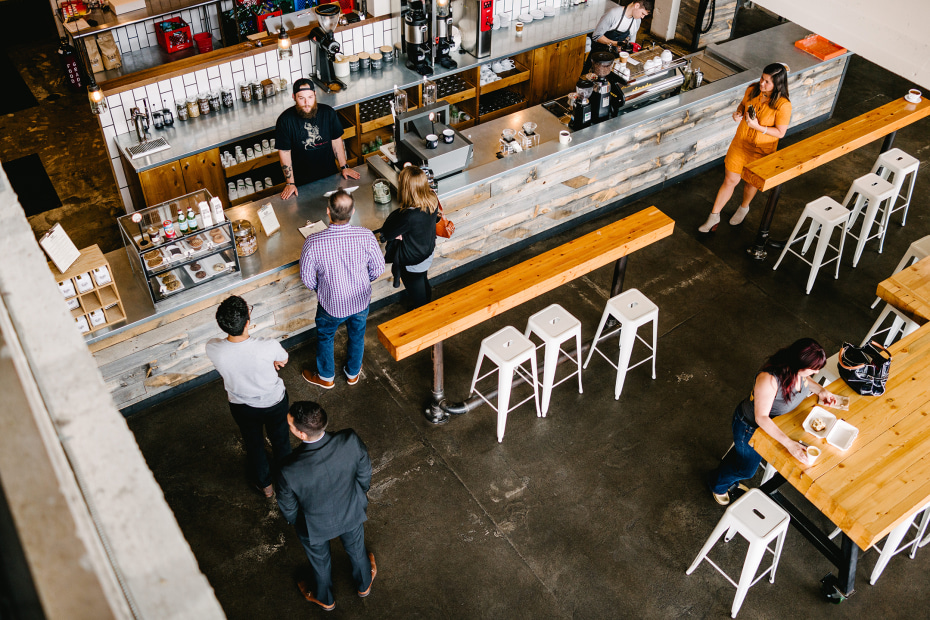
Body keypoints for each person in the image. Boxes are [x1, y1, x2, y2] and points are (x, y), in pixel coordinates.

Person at [708, 338, 839, 506]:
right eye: (811, 370)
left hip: (773, 425)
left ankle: (726, 472)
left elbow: (804, 380)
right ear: (797, 364)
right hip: (750, 427)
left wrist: (821, 390)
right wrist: (789, 444)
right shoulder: (768, 379)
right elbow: (761, 417)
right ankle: (718, 485)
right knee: (746, 470)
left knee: (741, 458)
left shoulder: (796, 372)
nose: (813, 374)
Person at [277, 401, 376, 611]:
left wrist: (300, 523)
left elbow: (288, 506)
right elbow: (365, 471)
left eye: (290, 426)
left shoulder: (288, 469)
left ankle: (326, 599)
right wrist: (358, 494)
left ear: (302, 435)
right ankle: (364, 585)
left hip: (313, 525)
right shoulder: (349, 439)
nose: (289, 429)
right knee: (357, 550)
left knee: (320, 563)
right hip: (351, 510)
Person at [205, 295, 291, 498]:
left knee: (254, 445)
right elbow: (284, 360)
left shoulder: (213, 348)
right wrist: (273, 362)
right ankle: (288, 484)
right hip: (275, 402)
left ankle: (266, 487)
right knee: (281, 441)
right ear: (247, 322)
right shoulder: (267, 346)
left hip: (242, 405)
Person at [299, 189, 386, 389]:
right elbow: (378, 268)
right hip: (360, 301)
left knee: (325, 337)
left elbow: (307, 279)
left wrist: (322, 289)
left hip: (331, 304)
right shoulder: (365, 235)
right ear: (353, 211)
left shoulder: (313, 242)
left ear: (328, 211)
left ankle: (326, 377)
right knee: (357, 336)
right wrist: (363, 281)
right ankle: (353, 374)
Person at [699, 63, 792, 233]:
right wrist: (738, 113)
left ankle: (744, 207)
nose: (761, 84)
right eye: (762, 78)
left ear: (778, 85)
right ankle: (713, 216)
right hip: (741, 143)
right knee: (730, 180)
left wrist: (757, 127)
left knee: (750, 184)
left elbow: (780, 133)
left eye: (766, 82)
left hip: (761, 150)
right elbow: (743, 105)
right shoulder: (752, 90)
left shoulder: (783, 105)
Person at [276, 78, 361, 200]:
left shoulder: (328, 113)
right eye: (301, 98)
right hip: (301, 183)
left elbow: (336, 141)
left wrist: (344, 167)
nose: (306, 103)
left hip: (330, 176)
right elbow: (284, 152)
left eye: (310, 97)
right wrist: (290, 183)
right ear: (294, 97)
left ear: (315, 95)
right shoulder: (285, 121)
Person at [377, 166, 439, 309]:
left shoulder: (409, 216)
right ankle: (427, 303)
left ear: (405, 189)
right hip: (427, 251)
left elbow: (387, 233)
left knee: (417, 294)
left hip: (413, 260)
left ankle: (423, 314)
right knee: (423, 279)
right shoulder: (432, 199)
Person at [583, 1, 653, 74]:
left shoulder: (637, 21)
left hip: (615, 56)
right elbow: (596, 36)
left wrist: (625, 48)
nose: (642, 17)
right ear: (637, 5)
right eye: (642, 13)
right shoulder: (614, 14)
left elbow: (632, 42)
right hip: (599, 54)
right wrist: (616, 43)